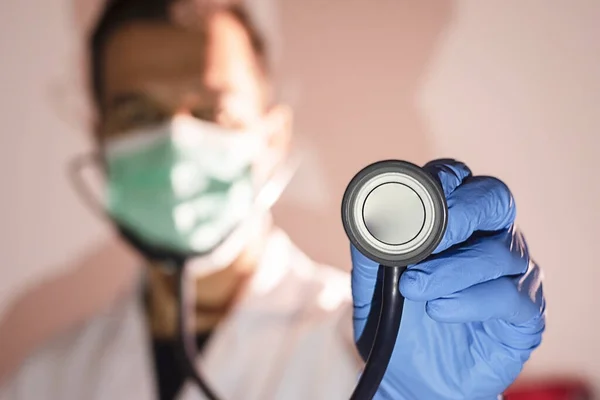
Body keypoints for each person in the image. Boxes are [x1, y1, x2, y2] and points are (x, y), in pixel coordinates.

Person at [0, 0, 546, 399]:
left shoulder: (382, 343)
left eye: (213, 110)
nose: (175, 141)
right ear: (100, 143)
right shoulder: (45, 377)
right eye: (138, 115)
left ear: (274, 135)